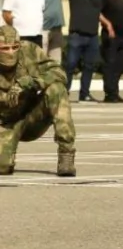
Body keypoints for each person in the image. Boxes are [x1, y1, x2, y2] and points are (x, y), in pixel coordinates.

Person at [0, 25, 76, 176]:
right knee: (3, 167)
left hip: (32, 116)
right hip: (5, 123)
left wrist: (32, 82)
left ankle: (66, 153)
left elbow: (59, 72)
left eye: (14, 47)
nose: (10, 52)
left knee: (56, 89)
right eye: (4, 48)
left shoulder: (29, 51)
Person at [62, 0, 105, 103]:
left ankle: (84, 94)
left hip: (92, 35)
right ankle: (64, 93)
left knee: (89, 66)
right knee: (70, 65)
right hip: (76, 34)